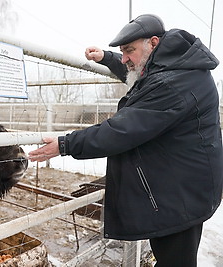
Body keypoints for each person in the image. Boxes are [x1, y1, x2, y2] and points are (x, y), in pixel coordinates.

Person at [28, 14, 223, 266]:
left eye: (128, 50)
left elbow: (123, 129)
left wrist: (66, 144)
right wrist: (106, 58)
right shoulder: (175, 66)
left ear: (153, 43)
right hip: (184, 184)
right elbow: (140, 70)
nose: (124, 59)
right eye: (121, 52)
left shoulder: (175, 84)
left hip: (180, 195)